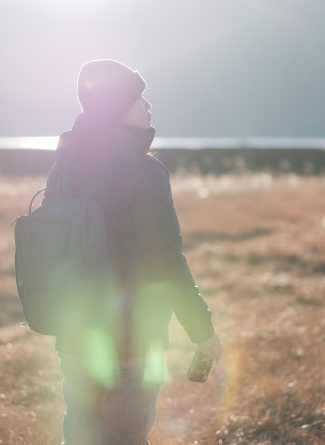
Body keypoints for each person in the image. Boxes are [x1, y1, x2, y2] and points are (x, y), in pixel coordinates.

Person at [44, 59, 221, 445]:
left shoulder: (65, 166)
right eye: (139, 100)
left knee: (81, 436)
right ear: (116, 108)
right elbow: (167, 260)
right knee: (124, 436)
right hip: (134, 340)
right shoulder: (141, 170)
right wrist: (202, 330)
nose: (148, 107)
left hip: (75, 333)